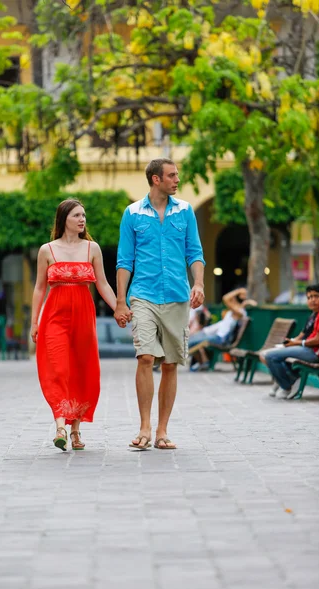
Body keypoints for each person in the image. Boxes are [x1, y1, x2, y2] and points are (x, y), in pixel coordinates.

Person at [114, 158, 205, 450]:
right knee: (145, 357)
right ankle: (144, 426)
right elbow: (124, 261)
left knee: (170, 364)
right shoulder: (132, 213)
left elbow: (195, 252)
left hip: (178, 295)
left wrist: (199, 283)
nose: (177, 180)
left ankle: (162, 430)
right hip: (143, 295)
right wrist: (120, 301)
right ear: (156, 179)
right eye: (172, 175)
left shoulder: (186, 211)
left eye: (177, 175)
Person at [31, 198, 124, 451]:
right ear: (64, 220)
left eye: (83, 215)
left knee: (82, 369)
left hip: (83, 316)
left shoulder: (92, 248)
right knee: (58, 369)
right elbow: (39, 288)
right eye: (76, 215)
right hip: (54, 317)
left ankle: (76, 430)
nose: (82, 220)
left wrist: (120, 307)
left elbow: (103, 283)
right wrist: (34, 322)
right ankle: (60, 426)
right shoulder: (46, 250)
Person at [265, 283, 319, 399]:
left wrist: (296, 343)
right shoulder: (318, 313)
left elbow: (318, 341)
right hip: (308, 349)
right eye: (309, 297)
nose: (313, 300)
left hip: (315, 353)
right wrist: (293, 343)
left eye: (316, 296)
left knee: (270, 356)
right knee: (274, 354)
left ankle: (288, 385)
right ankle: (292, 380)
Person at [188, 288, 257, 371]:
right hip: (217, 335)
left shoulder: (239, 312)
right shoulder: (238, 309)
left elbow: (225, 298)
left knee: (191, 341)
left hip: (221, 338)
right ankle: (203, 362)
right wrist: (245, 300)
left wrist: (239, 291)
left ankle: (204, 363)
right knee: (191, 339)